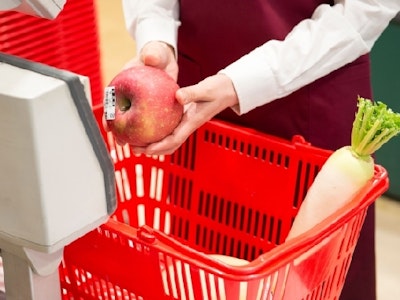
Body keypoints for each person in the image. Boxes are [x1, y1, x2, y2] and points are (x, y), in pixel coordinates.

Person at [119, 1, 400, 299]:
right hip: (197, 95)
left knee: (310, 281)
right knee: (205, 278)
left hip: (311, 85)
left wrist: (241, 82)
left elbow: (368, 7)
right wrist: (156, 35)